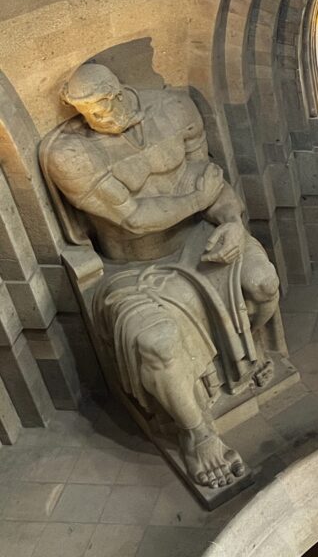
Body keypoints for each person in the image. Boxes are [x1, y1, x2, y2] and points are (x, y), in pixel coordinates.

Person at [41, 63, 287, 489]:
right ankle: (198, 434)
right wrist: (199, 198)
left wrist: (230, 221)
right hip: (132, 269)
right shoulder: (70, 154)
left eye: (103, 103)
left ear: (118, 90)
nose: (98, 115)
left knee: (263, 284)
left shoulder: (173, 109)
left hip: (201, 240)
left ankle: (248, 355)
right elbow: (134, 219)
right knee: (157, 343)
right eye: (87, 110)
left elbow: (213, 179)